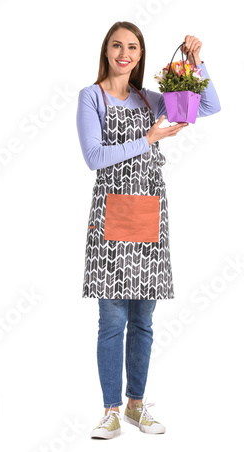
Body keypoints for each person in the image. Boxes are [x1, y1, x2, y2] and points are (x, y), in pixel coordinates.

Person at [77, 22, 219, 440]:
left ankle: (137, 405)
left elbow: (209, 106)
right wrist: (149, 137)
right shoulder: (92, 97)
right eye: (117, 45)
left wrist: (197, 62)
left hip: (150, 213)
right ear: (106, 50)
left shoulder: (148, 98)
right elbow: (93, 156)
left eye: (133, 47)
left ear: (140, 54)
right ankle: (110, 411)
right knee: (111, 319)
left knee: (144, 320)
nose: (125, 53)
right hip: (111, 216)